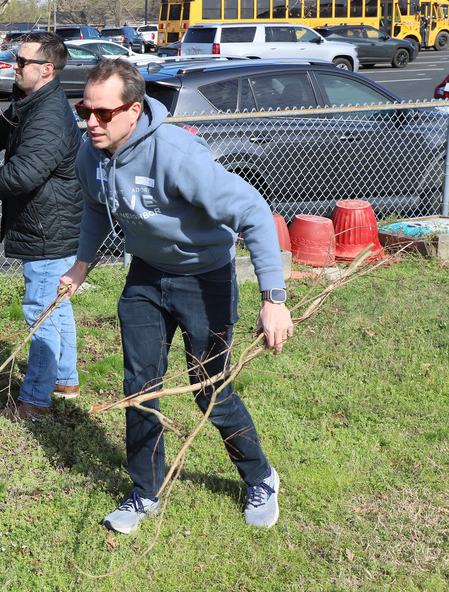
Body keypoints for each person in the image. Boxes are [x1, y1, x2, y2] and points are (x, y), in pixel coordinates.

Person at [58, 58, 293, 532]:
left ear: (134, 108)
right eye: (86, 109)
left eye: (103, 113)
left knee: (210, 390)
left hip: (204, 277)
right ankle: (146, 492)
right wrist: (81, 266)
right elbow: (95, 206)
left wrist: (274, 297)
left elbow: (253, 211)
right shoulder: (91, 151)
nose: (91, 122)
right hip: (146, 277)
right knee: (139, 388)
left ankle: (260, 476)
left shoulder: (176, 153)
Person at [0, 32, 83, 421]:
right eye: (15, 59)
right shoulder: (32, 100)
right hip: (50, 223)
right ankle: (65, 382)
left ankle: (34, 403)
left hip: (47, 229)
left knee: (41, 312)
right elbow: (6, 126)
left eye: (22, 61)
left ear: (46, 69)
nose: (14, 66)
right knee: (56, 307)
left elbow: (20, 177)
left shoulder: (51, 116)